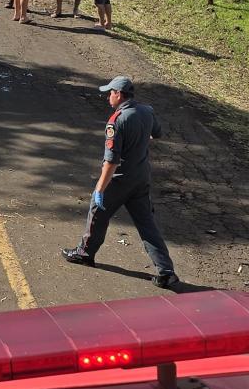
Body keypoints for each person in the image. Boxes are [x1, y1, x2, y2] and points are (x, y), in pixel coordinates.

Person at [64, 76, 178, 288]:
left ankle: (85, 253)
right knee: (147, 224)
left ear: (119, 94)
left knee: (97, 212)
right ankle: (166, 270)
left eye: (110, 93)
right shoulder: (147, 111)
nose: (108, 97)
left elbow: (111, 161)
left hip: (119, 180)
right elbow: (157, 133)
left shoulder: (116, 121)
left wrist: (99, 188)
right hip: (141, 178)